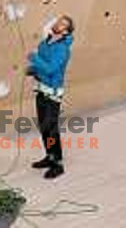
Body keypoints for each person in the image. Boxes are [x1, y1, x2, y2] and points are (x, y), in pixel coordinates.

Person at [27, 15, 74, 179]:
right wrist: (33, 69)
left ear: (66, 32)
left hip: (52, 95)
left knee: (51, 129)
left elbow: (50, 69)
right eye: (58, 21)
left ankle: (58, 164)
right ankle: (49, 156)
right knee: (44, 127)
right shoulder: (44, 43)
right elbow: (42, 66)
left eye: (63, 24)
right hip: (41, 90)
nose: (58, 24)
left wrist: (34, 58)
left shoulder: (62, 49)